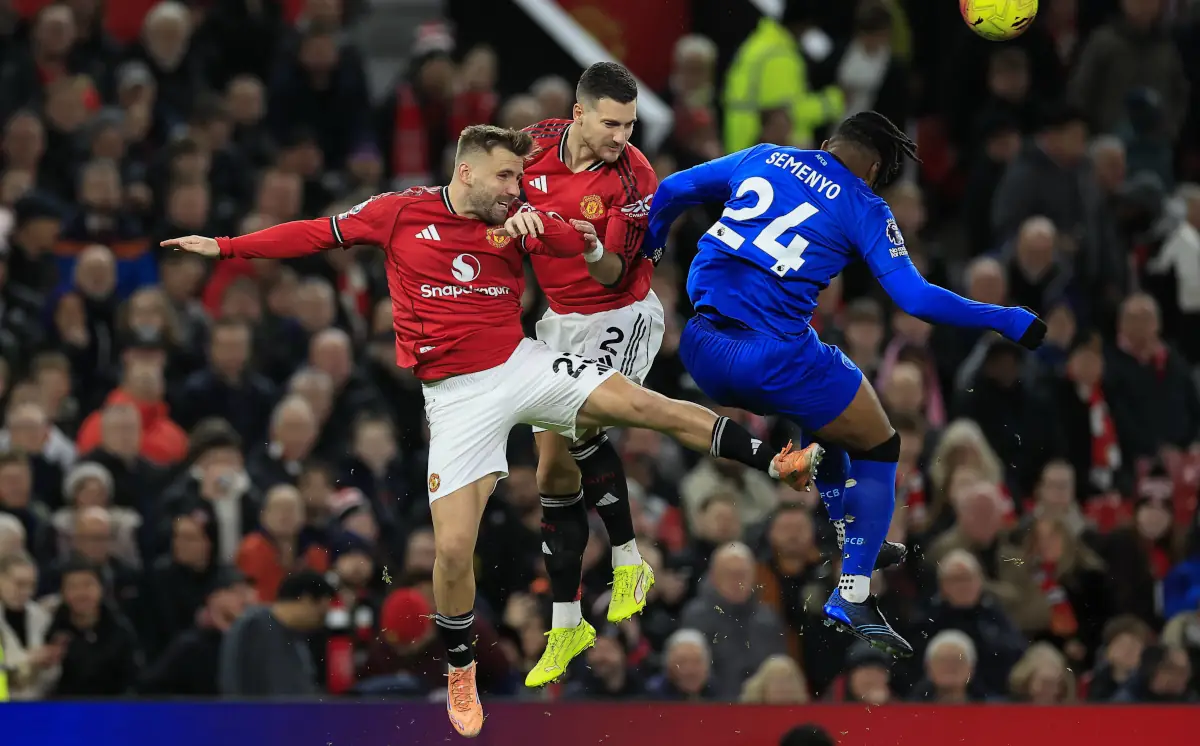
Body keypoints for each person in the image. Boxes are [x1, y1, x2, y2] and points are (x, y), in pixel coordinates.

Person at [163, 124, 818, 739]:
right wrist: (223, 247)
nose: (516, 188)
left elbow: (587, 251)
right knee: (451, 552)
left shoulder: (519, 217)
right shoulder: (399, 212)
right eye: (506, 177)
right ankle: (461, 669)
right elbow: (314, 235)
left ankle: (773, 459)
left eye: (521, 179)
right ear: (467, 169)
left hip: (520, 364)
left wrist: (556, 230)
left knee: (645, 404)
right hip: (456, 400)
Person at [644, 110, 1047, 658]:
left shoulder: (764, 156)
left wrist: (651, 249)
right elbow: (916, 299)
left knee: (831, 420)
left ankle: (849, 529)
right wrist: (1004, 318)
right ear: (876, 167)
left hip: (702, 346)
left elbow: (670, 189)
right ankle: (852, 591)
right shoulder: (865, 206)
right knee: (880, 443)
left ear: (831, 140)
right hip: (771, 357)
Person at [518, 61, 661, 687]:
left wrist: (591, 246)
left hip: (618, 313)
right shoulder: (534, 143)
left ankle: (630, 558)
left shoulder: (635, 178)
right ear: (577, 114)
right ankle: (567, 620)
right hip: (559, 319)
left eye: (629, 125)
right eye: (610, 123)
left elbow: (610, 275)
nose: (621, 136)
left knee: (578, 426)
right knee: (551, 469)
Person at [216, 570, 333, 697]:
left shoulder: (298, 640)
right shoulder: (253, 626)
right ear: (306, 600)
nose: (320, 623)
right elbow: (235, 683)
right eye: (321, 615)